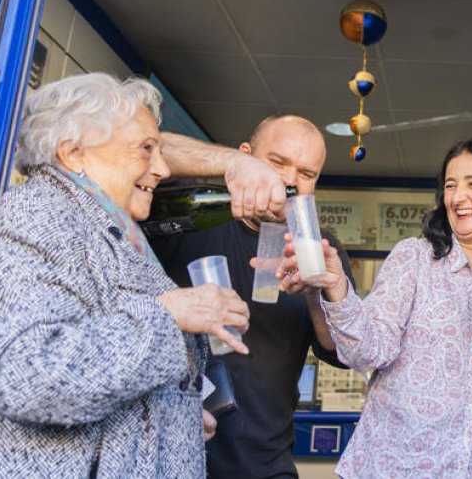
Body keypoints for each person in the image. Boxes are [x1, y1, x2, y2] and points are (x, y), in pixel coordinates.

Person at [0, 73, 249, 478]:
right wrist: (168, 315)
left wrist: (171, 416)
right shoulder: (37, 216)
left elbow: (109, 368)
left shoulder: (108, 228)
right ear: (74, 153)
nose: (161, 168)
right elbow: (29, 376)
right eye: (146, 148)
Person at [279, 138, 472, 478]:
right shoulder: (415, 259)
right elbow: (367, 350)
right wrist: (337, 287)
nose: (458, 196)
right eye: (450, 185)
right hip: (396, 467)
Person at [150, 114, 353, 478]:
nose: (289, 180)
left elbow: (342, 353)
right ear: (246, 155)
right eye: (276, 162)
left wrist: (316, 296)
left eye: (307, 174)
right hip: (170, 454)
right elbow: (149, 148)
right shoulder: (193, 214)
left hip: (264, 464)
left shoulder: (319, 249)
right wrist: (232, 164)